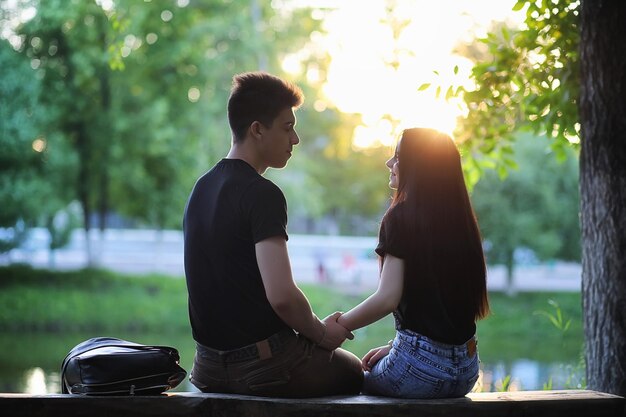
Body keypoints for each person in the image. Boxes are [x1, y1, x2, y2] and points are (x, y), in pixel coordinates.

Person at [183, 71, 363, 398]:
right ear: (257, 130)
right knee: (355, 371)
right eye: (288, 128)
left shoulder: (201, 188)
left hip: (207, 367)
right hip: (264, 366)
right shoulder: (262, 193)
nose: (295, 140)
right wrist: (321, 333)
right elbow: (281, 295)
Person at [335, 127, 490, 399]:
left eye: (397, 157)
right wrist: (396, 347)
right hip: (467, 370)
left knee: (349, 383)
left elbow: (387, 298)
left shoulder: (399, 218)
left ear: (419, 167)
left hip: (419, 368)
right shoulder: (462, 224)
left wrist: (339, 325)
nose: (389, 164)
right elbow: (438, 312)